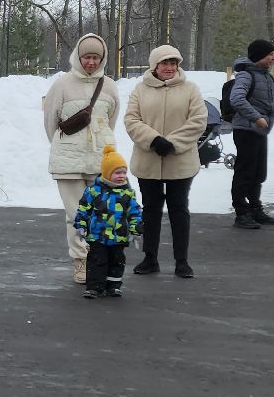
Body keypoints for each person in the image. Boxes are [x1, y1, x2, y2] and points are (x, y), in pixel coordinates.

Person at [41, 34, 119, 285]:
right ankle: (80, 261)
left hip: (100, 161)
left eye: (96, 57)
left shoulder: (109, 86)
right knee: (75, 214)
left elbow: (110, 122)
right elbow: (50, 122)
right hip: (69, 162)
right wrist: (67, 146)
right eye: (87, 57)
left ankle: (97, 260)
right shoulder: (62, 84)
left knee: (100, 213)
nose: (91, 62)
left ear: (102, 59)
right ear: (78, 56)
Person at [123, 45, 207, 278]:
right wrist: (154, 140)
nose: (169, 68)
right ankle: (150, 258)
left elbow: (198, 120)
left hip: (180, 161)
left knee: (179, 209)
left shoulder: (190, 89)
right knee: (151, 210)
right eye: (164, 63)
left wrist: (172, 142)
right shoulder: (140, 90)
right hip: (148, 160)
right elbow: (131, 120)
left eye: (173, 63)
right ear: (155, 66)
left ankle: (182, 261)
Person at [223, 39, 274, 230]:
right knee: (245, 172)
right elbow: (236, 99)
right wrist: (256, 117)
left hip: (259, 131)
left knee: (258, 172)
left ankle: (255, 208)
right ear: (259, 56)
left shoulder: (267, 77)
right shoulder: (246, 76)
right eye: (270, 55)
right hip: (246, 130)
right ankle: (241, 213)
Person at [74, 146, 141, 299]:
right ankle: (94, 287)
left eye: (124, 172)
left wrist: (136, 229)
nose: (122, 176)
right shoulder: (94, 191)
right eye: (117, 172)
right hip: (98, 235)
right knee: (97, 261)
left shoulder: (127, 193)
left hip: (119, 236)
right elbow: (83, 209)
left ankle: (113, 286)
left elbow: (134, 212)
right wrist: (81, 225)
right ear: (107, 173)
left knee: (117, 261)